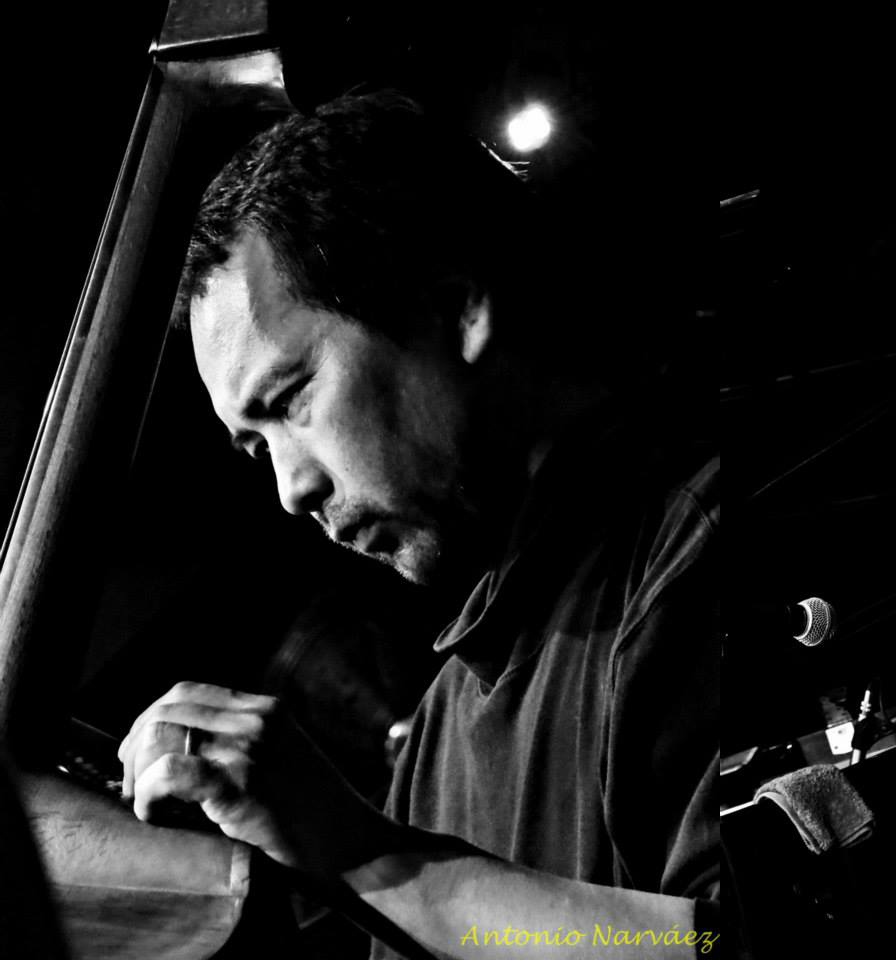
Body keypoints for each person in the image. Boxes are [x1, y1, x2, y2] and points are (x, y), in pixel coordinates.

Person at [115, 90, 811, 958]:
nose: (290, 489)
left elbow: (728, 947)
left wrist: (372, 858)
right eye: (255, 449)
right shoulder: (441, 726)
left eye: (292, 400)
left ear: (453, 308)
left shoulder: (700, 556)